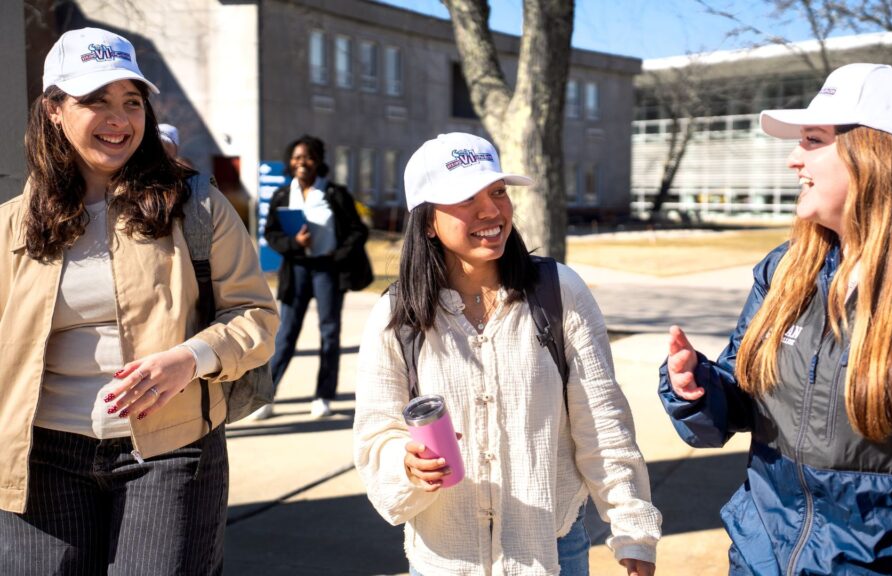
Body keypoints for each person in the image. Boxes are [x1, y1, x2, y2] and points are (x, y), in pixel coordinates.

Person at [659, 63, 892, 574]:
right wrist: (697, 387)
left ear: (874, 155)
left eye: (812, 139)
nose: (792, 159)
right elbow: (745, 396)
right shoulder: (786, 269)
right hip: (758, 561)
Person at [0, 27, 278, 574]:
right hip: (41, 460)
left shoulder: (197, 207)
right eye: (95, 100)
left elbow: (256, 318)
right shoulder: (11, 224)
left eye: (132, 101)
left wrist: (191, 359)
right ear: (53, 109)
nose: (120, 119)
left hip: (171, 454)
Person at [354, 133, 661, 576]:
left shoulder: (559, 293)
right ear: (426, 221)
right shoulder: (396, 315)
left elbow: (603, 422)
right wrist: (405, 464)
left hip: (553, 551)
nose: (491, 211)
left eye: (498, 192)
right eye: (466, 198)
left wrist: (633, 527)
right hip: (444, 559)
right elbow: (374, 434)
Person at [261, 135, 369, 419]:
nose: (301, 162)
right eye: (296, 157)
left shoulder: (334, 193)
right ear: (290, 161)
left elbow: (359, 231)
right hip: (296, 270)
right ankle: (266, 397)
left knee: (329, 334)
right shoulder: (283, 195)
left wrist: (338, 256)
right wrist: (295, 243)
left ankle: (323, 395)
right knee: (285, 335)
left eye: (307, 157)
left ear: (319, 161)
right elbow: (271, 233)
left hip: (327, 270)